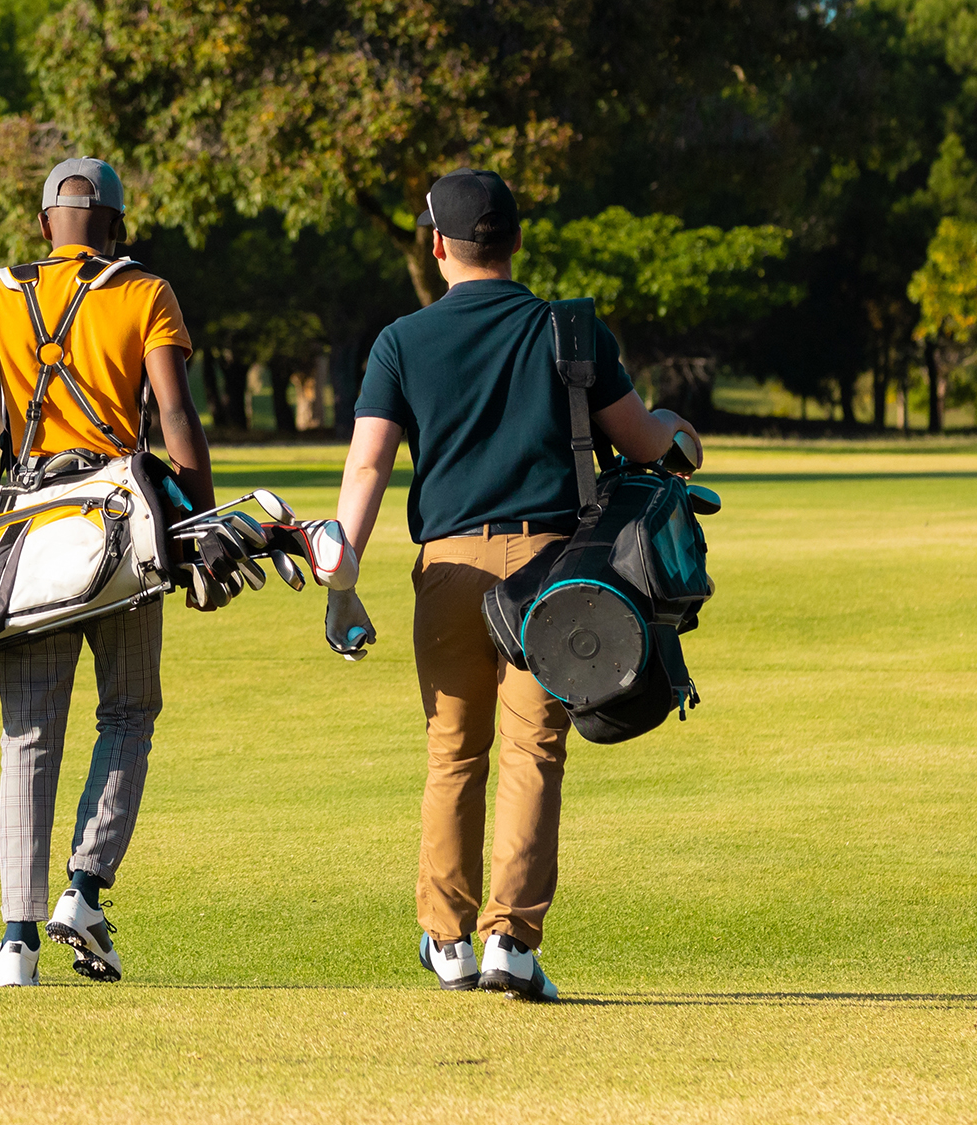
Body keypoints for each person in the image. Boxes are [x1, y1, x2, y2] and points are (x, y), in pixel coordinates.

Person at [327, 168, 702, 1000]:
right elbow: (643, 442)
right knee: (535, 750)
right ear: (517, 242)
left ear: (437, 245)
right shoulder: (571, 330)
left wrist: (340, 578)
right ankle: (512, 943)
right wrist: (680, 432)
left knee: (453, 754)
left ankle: (448, 941)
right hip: (554, 575)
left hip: (450, 570)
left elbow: (368, 465)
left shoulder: (399, 341)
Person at [0, 157, 217, 987]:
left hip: (29, 529)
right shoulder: (146, 292)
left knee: (28, 733)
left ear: (45, 225)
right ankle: (83, 886)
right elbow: (175, 414)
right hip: (119, 524)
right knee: (130, 709)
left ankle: (15, 942)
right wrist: (203, 520)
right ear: (116, 224)